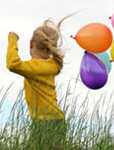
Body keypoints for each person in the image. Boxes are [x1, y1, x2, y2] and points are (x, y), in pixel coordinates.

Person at [6, 17, 68, 149]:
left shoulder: (35, 68)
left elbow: (12, 64)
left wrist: (13, 39)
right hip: (53, 120)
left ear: (31, 44)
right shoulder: (51, 65)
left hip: (45, 121)